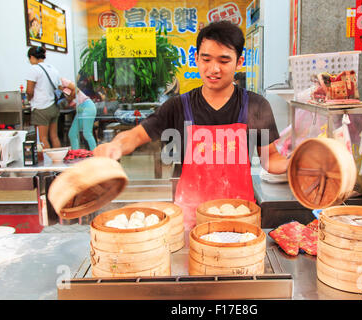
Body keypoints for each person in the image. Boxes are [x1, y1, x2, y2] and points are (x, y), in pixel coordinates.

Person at [94, 21, 289, 230]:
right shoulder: (177, 106)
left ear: (239, 62)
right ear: (196, 58)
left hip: (239, 217)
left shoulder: (256, 105)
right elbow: (136, 135)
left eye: (224, 61)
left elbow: (272, 159)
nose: (213, 69)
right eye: (206, 59)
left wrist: (299, 163)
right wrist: (116, 146)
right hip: (189, 220)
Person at [26, 46, 62, 149]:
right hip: (53, 107)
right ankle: (58, 162)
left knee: (43, 138)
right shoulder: (53, 69)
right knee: (54, 137)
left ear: (32, 57)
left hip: (41, 107)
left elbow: (29, 90)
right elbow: (60, 87)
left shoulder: (34, 69)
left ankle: (49, 164)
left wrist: (29, 99)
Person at [61, 78, 97, 151]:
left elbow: (76, 90)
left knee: (87, 133)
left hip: (87, 105)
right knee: (72, 134)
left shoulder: (62, 81)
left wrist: (69, 99)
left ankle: (96, 154)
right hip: (80, 108)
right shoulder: (60, 88)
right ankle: (76, 154)